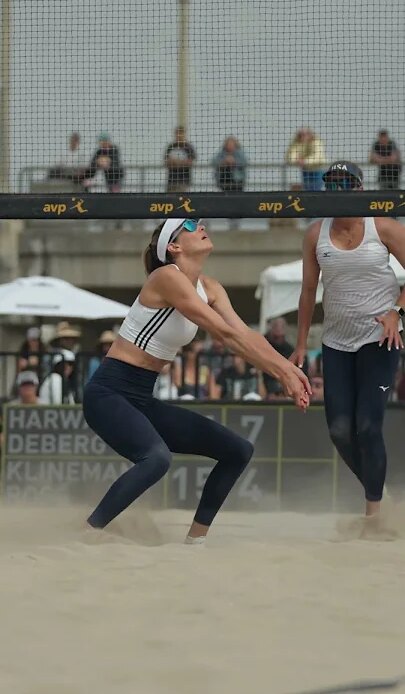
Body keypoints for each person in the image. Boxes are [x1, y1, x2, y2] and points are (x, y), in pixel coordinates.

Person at [83, 218, 311, 543]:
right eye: (189, 224)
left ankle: (194, 542)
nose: (200, 225)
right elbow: (224, 333)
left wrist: (289, 370)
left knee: (237, 451)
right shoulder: (165, 277)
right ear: (173, 246)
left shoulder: (211, 287)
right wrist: (281, 373)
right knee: (157, 458)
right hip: (108, 393)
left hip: (141, 398)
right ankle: (89, 532)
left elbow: (245, 335)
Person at [290, 160, 405, 533]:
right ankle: (379, 492)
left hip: (380, 338)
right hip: (336, 343)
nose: (336, 190)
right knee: (340, 431)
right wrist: (300, 345)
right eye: (330, 184)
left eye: (344, 183)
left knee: (368, 427)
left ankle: (373, 514)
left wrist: (396, 312)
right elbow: (309, 291)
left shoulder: (383, 226)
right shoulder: (315, 234)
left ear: (358, 188)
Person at [164, 126, 196, 193]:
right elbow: (167, 162)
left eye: (181, 133)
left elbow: (190, 162)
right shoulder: (171, 146)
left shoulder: (188, 147)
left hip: (184, 180)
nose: (179, 135)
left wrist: (176, 162)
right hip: (171, 180)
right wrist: (179, 162)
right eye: (177, 133)